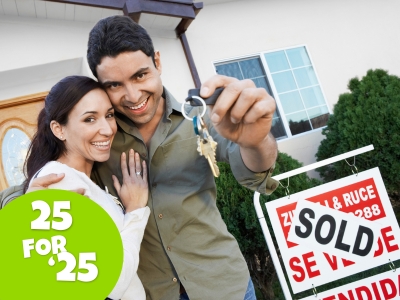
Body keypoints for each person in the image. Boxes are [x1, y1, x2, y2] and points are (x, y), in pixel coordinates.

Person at [1, 16, 279, 300]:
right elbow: (37, 183)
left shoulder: (199, 118)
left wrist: (257, 142)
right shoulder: (100, 138)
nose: (132, 96)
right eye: (115, 85)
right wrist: (27, 212)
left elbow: (253, 174)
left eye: (140, 75)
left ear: (157, 62)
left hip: (222, 284)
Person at [24, 75, 150, 300]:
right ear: (58, 129)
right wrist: (136, 211)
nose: (107, 129)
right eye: (90, 119)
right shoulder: (60, 182)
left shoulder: (80, 178)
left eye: (109, 115)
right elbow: (112, 280)